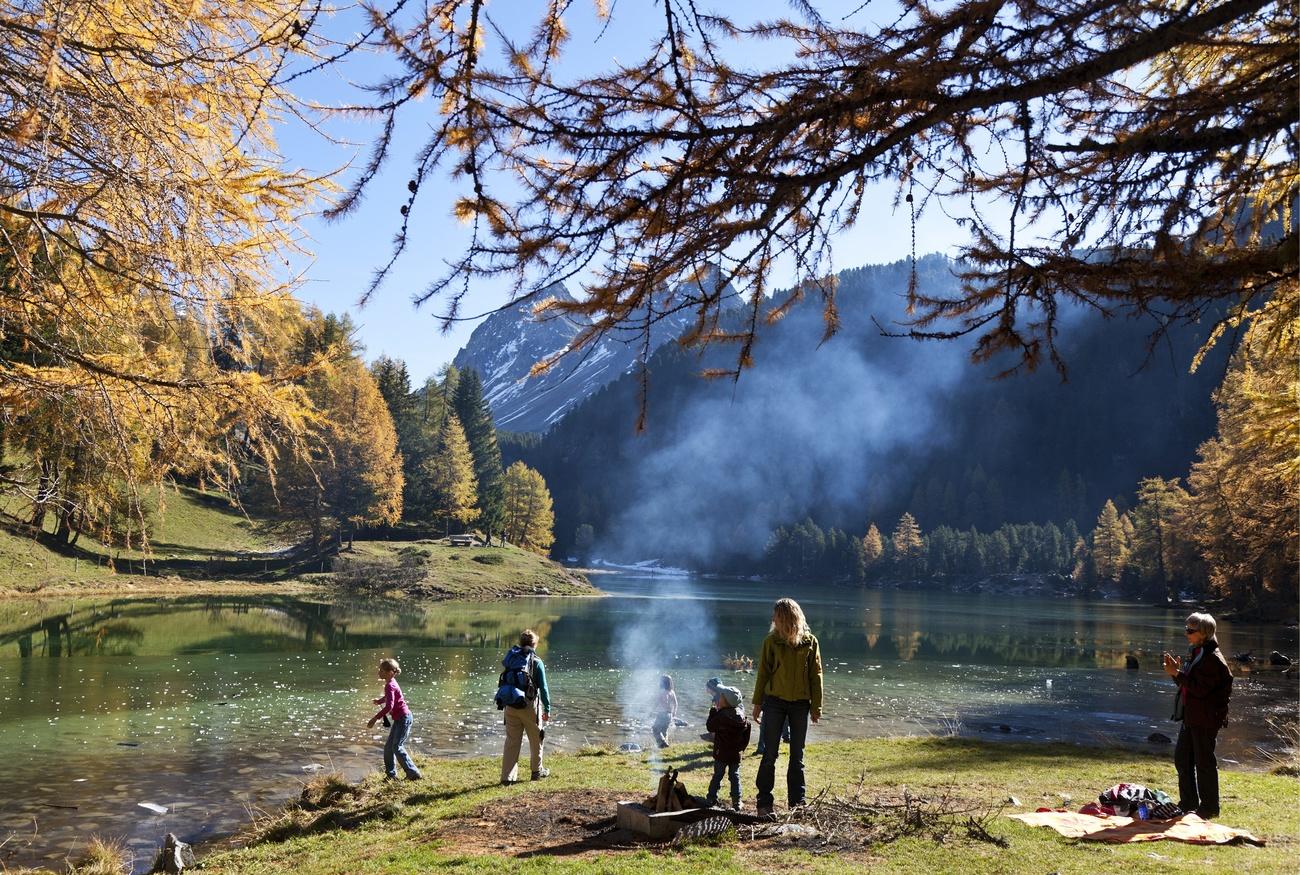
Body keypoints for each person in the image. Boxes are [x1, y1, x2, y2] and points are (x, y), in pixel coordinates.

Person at [752, 597, 823, 817]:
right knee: (769, 754)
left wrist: (816, 706)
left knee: (797, 756)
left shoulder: (810, 642)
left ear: (785, 618)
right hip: (774, 703)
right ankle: (764, 803)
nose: (772, 619)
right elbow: (763, 673)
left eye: (776, 616)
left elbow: (816, 675)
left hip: (800, 705)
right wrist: (757, 704)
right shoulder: (771, 642)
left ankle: (797, 804)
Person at [1162, 611, 1232, 818]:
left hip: (1206, 717)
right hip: (1192, 715)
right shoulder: (1198, 652)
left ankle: (1209, 808)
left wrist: (1177, 674)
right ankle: (1188, 803)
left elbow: (1200, 690)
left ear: (1203, 633)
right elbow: (1189, 686)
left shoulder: (1212, 659)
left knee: (1204, 762)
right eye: (1186, 629)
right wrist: (1176, 674)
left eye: (1190, 630)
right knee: (1183, 760)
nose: (1186, 633)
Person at [500, 629, 553, 785]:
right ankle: (536, 772)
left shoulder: (512, 659)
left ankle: (507, 778)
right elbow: (543, 689)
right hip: (530, 706)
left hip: (510, 705)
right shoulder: (536, 662)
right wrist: (547, 709)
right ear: (534, 644)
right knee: (537, 739)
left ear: (521, 643)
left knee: (512, 741)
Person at [367, 657, 421, 781]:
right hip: (400, 719)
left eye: (381, 671)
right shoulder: (391, 683)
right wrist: (379, 700)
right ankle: (391, 775)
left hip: (404, 718)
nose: (379, 673)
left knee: (397, 746)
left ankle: (413, 772)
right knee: (388, 747)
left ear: (390, 672)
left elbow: (389, 706)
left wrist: (375, 718)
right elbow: (389, 698)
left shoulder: (389, 685)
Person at [705, 684, 750, 810]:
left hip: (721, 753)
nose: (719, 698)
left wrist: (713, 711)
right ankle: (737, 801)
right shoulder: (741, 715)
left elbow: (710, 726)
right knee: (734, 775)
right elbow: (747, 733)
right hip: (735, 753)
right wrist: (741, 748)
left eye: (721, 697)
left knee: (718, 775)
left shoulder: (721, 715)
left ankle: (711, 798)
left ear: (726, 701)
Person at [651, 674, 678, 748]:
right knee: (664, 731)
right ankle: (664, 745)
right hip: (669, 714)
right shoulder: (672, 691)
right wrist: (674, 712)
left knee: (655, 729)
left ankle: (662, 743)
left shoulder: (661, 691)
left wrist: (652, 710)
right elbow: (675, 703)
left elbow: (657, 702)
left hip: (662, 714)